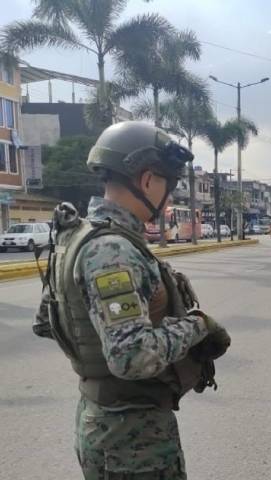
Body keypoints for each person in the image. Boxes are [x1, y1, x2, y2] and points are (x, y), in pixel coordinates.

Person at [32, 121, 231, 480]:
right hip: (132, 439)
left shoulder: (76, 237)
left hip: (103, 421)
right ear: (147, 180)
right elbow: (132, 358)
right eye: (168, 186)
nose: (167, 199)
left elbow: (47, 321)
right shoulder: (113, 250)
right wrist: (198, 324)